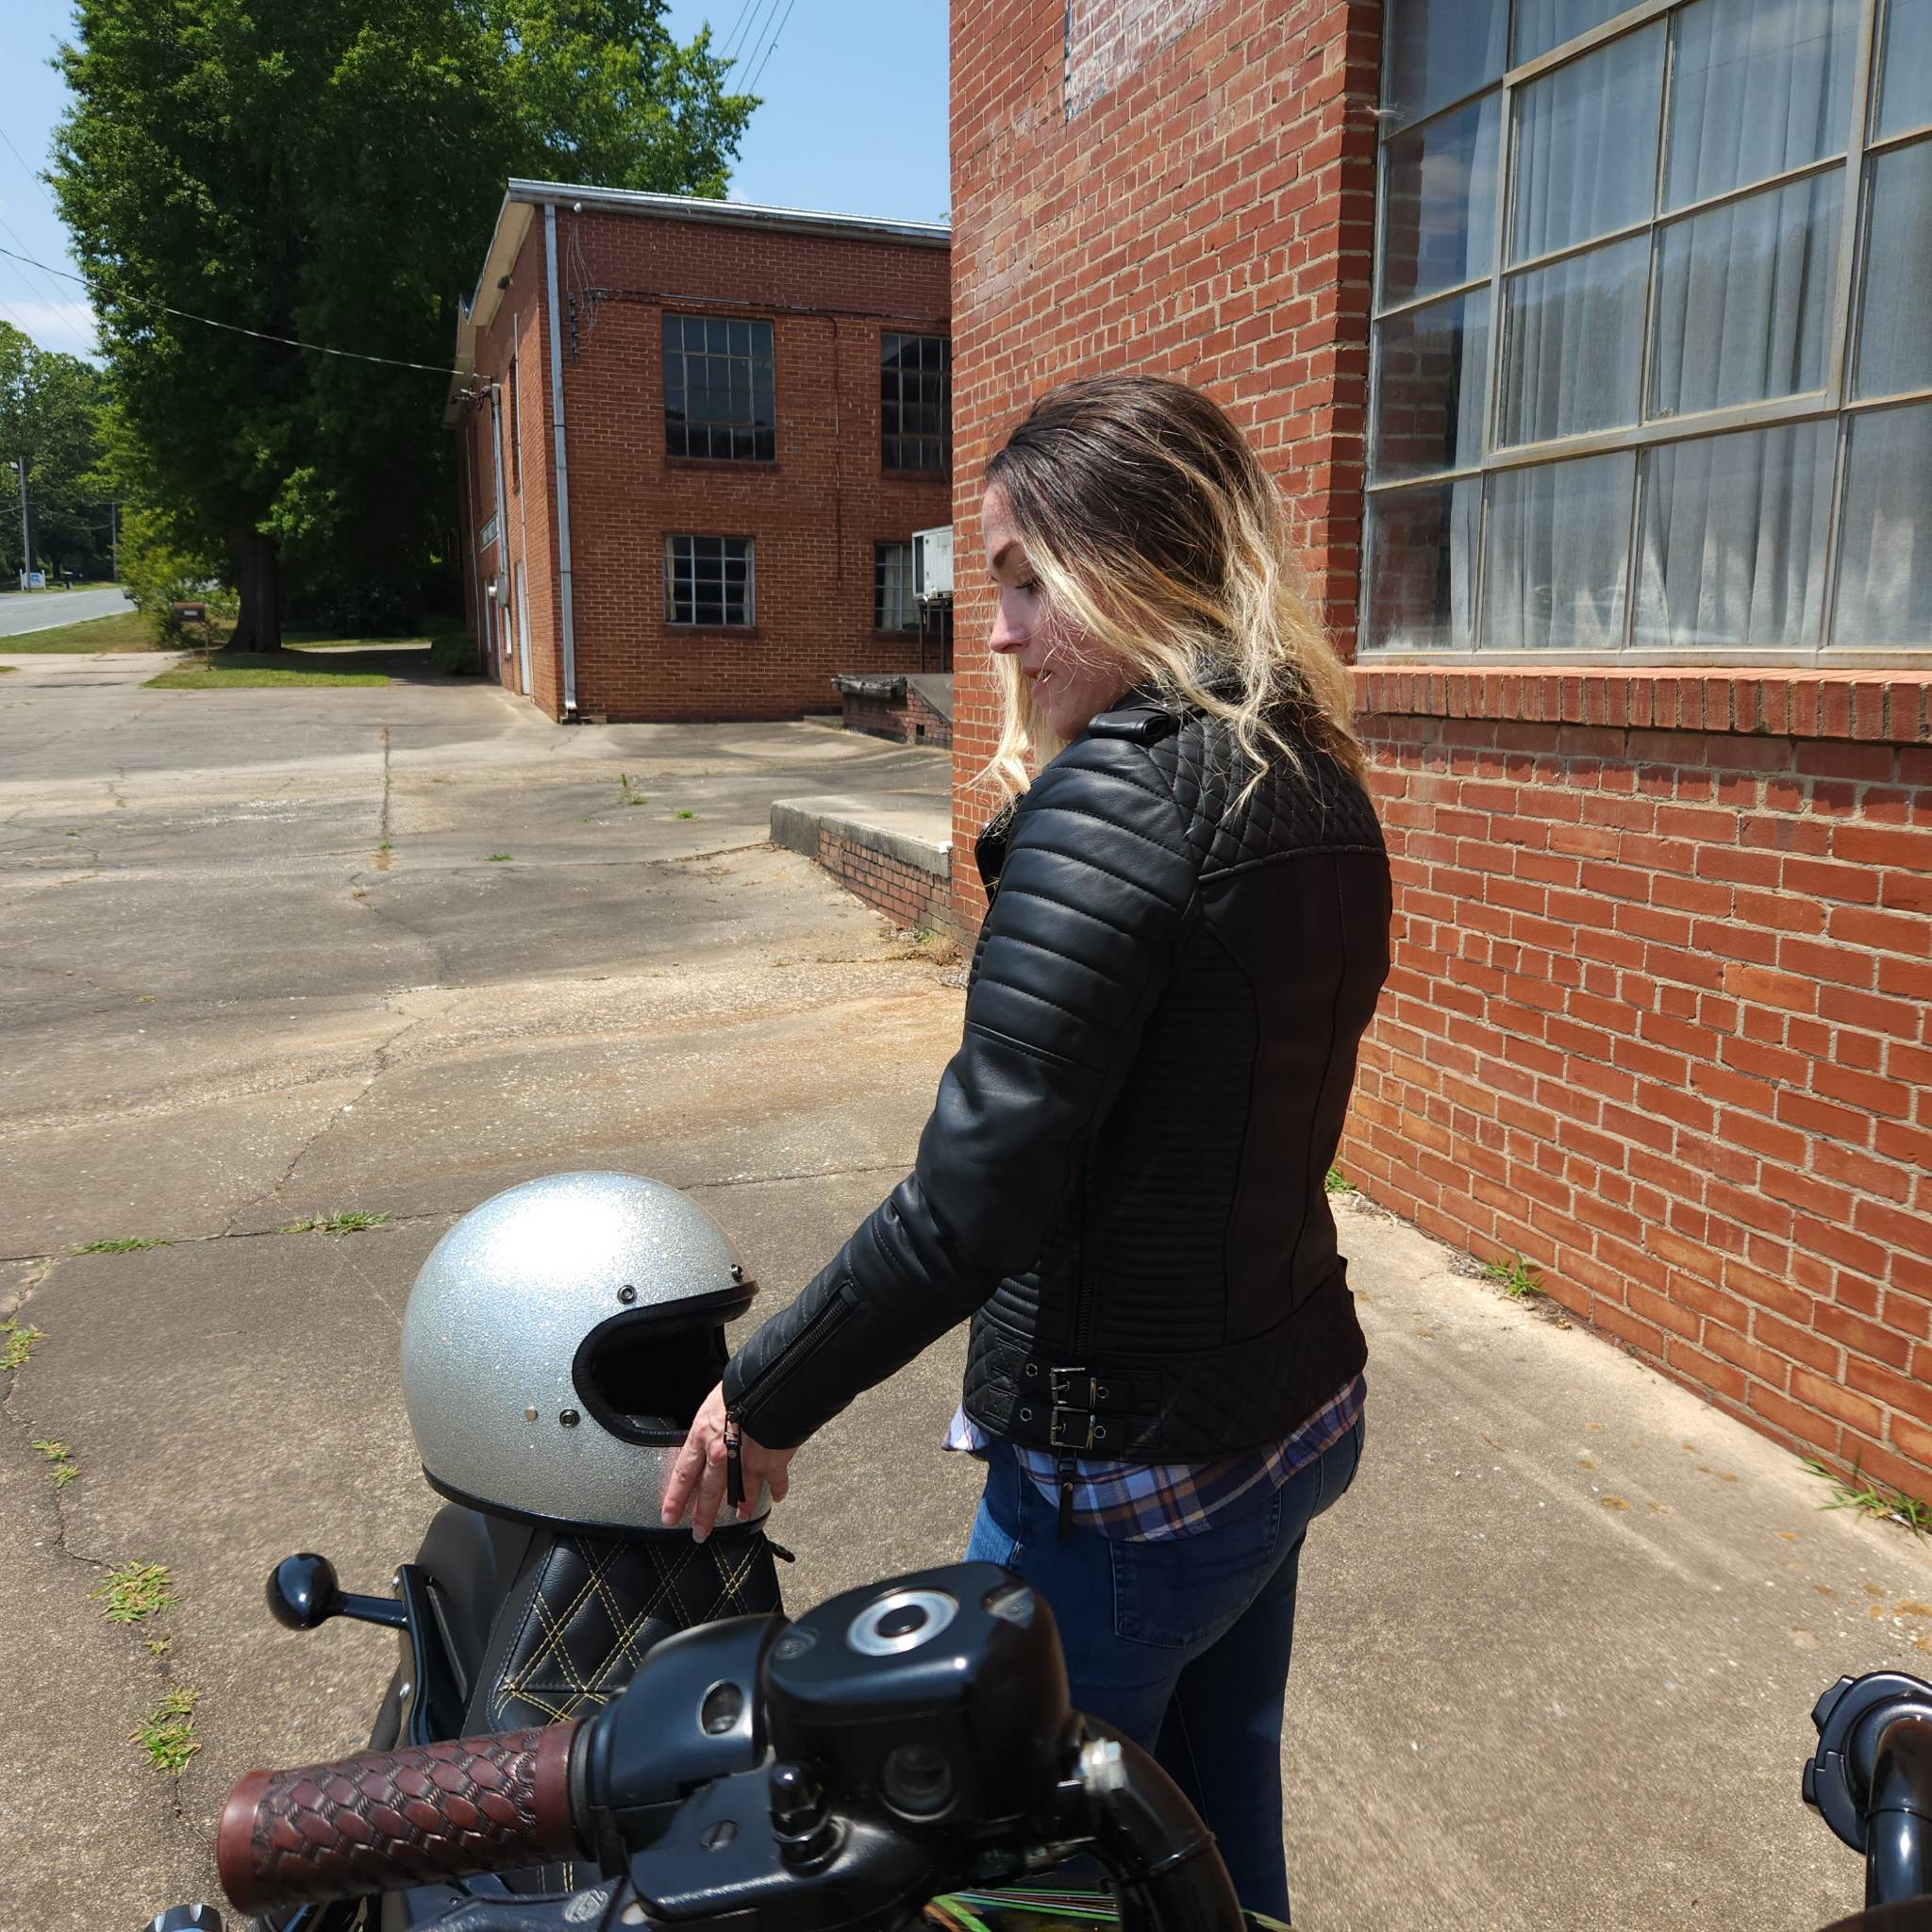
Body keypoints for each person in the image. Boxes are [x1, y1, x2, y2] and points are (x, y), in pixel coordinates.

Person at [663, 373, 1391, 1921]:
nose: (990, 631)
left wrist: (763, 1398)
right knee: (1199, 1819)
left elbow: (973, 1197)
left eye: (1019, 578)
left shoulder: (1122, 805)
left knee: (1027, 1870)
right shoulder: (1313, 775)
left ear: (1138, 566)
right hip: (1285, 1415)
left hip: (1132, 1476)